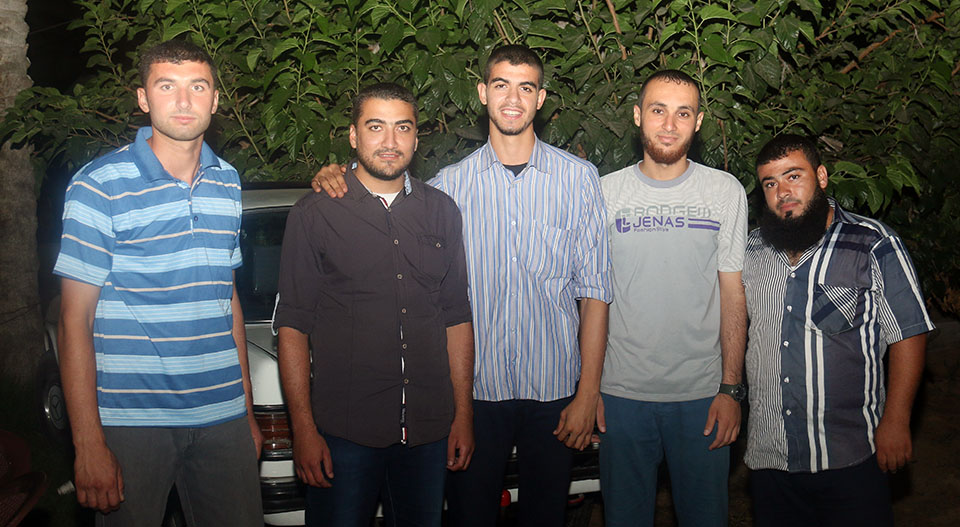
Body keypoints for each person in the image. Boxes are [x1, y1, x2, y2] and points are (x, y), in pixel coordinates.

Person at [311, 45, 612, 527]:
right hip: (474, 395)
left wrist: (588, 393)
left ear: (540, 99)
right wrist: (338, 173)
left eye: (526, 87)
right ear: (482, 93)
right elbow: (385, 191)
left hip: (555, 389)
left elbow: (595, 293)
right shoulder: (448, 187)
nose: (513, 98)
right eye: (501, 85)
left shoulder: (579, 180)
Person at [54, 40, 262, 525]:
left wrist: (246, 414)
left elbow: (226, 299)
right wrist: (88, 442)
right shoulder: (98, 184)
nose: (184, 101)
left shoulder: (227, 181)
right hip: (132, 419)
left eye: (198, 87)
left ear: (216, 100)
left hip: (222, 415)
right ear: (143, 98)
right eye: (167, 86)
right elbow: (74, 320)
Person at [273, 83, 475, 526]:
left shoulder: (442, 211)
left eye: (402, 127)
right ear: (353, 135)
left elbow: (457, 318)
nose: (389, 141)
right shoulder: (314, 213)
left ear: (416, 138)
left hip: (428, 429)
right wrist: (302, 430)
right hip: (345, 431)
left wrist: (462, 415)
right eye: (375, 126)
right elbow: (293, 326)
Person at [742, 134, 934, 526]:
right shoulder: (752, 250)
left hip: (850, 456)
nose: (783, 192)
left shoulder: (872, 242)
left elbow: (909, 333)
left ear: (822, 176)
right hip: (770, 455)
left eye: (794, 176)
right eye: (770, 183)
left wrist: (896, 420)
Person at [597, 70, 748, 527]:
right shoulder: (603, 193)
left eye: (683, 113)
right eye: (658, 110)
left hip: (702, 396)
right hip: (620, 396)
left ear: (698, 122)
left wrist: (731, 389)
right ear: (638, 115)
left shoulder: (724, 191)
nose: (669, 124)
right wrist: (589, 389)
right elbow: (591, 297)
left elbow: (733, 294)